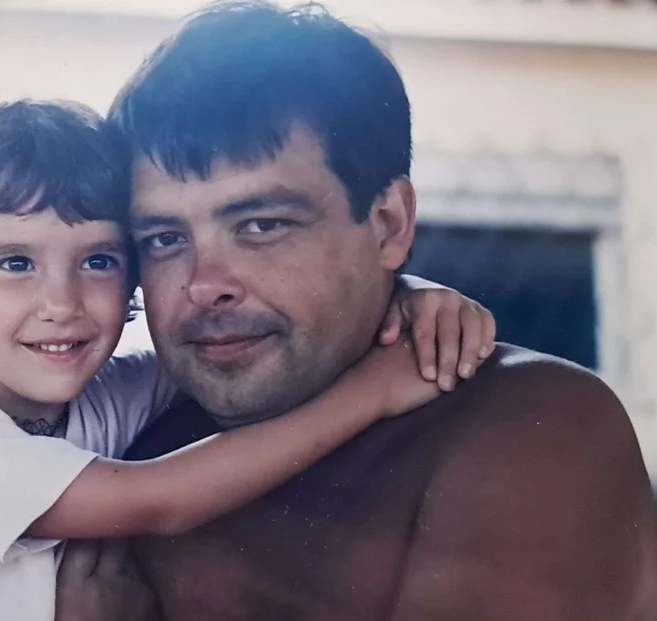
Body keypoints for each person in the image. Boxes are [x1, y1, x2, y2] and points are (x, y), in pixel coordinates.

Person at [65, 2, 657, 620]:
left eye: (262, 225)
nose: (204, 286)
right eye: (164, 239)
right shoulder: (120, 438)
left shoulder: (525, 423)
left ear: (389, 224)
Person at [0, 100, 496, 621]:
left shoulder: (98, 396)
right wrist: (377, 389)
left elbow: (252, 346)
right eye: (16, 264)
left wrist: (401, 293)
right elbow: (161, 500)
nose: (61, 303)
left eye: (98, 261)